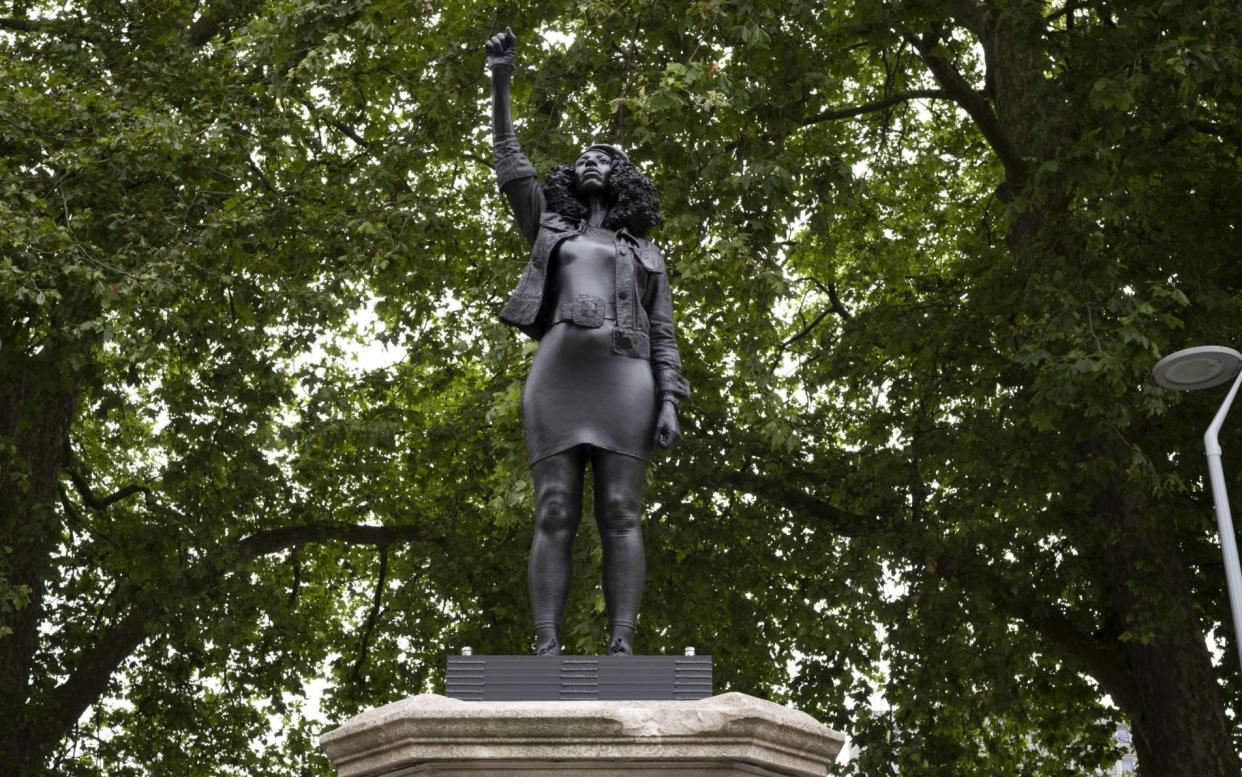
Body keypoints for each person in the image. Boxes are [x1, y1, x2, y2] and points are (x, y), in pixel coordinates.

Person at [484, 27, 690, 656]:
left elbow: (664, 334)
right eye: (586, 156)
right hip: (558, 380)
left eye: (607, 156)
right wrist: (500, 80)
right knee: (553, 510)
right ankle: (545, 646)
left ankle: (622, 647)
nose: (593, 159)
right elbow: (511, 164)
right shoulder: (549, 228)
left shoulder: (646, 254)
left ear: (624, 179)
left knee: (622, 515)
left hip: (627, 382)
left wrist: (671, 401)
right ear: (573, 176)